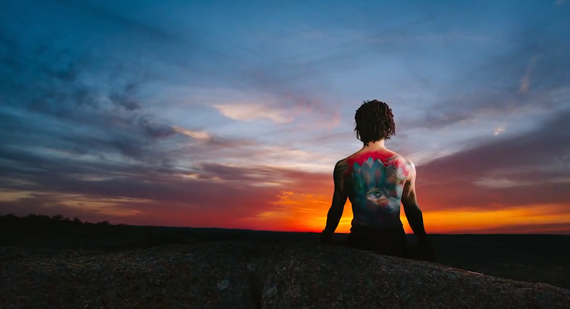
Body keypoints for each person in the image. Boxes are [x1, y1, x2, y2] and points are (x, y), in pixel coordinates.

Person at [319, 100, 435, 262]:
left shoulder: (344, 166)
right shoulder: (406, 166)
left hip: (361, 237)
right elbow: (411, 208)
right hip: (394, 239)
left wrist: (326, 236)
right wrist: (423, 240)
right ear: (388, 126)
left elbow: (337, 207)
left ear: (359, 127)